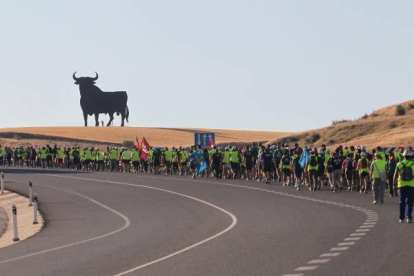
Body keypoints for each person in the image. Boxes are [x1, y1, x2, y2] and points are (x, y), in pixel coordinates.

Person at [393, 150, 414, 223]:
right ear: (411, 156)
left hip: (401, 185)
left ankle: (401, 218)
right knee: (410, 201)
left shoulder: (399, 164)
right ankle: (409, 217)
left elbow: (395, 175)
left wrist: (394, 184)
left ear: (403, 156)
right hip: (411, 185)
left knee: (402, 201)